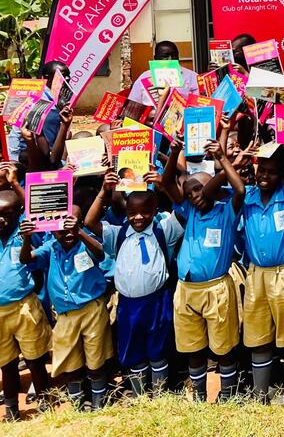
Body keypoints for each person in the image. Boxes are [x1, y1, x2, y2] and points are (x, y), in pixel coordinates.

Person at [161, 131, 245, 401]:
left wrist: (222, 159)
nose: (195, 196)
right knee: (193, 346)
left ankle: (228, 393)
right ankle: (198, 395)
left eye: (200, 189)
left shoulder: (225, 210)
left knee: (223, 346)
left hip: (216, 289)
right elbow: (166, 183)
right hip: (186, 290)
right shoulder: (190, 211)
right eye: (190, 192)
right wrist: (174, 151)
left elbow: (240, 189)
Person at [84, 171, 182, 397]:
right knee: (133, 349)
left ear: (155, 211)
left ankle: (160, 395)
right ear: (126, 213)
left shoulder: (162, 231)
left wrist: (164, 185)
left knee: (158, 348)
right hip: (128, 304)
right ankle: (140, 396)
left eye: (145, 212)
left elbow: (183, 211)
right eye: (133, 213)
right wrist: (103, 192)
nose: (139, 217)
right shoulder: (118, 235)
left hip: (157, 301)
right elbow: (90, 222)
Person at [20, 204, 111, 409]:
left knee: (95, 358)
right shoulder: (51, 248)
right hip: (65, 315)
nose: (66, 232)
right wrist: (27, 237)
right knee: (70, 361)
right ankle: (78, 404)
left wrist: (79, 232)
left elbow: (101, 254)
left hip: (92, 309)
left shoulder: (85, 241)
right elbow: (26, 259)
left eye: (71, 225)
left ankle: (99, 403)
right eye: (60, 228)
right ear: (51, 229)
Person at [241, 145, 284, 402]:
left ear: (281, 175)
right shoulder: (248, 197)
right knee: (258, 335)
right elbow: (236, 186)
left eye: (271, 172)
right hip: (257, 273)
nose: (264, 176)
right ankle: (260, 393)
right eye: (261, 171)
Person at [0, 185, 51, 421]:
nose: (1, 219)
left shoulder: (25, 233)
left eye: (7, 215)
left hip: (24, 306)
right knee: (6, 362)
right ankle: (11, 408)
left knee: (35, 359)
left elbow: (38, 262)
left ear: (18, 213)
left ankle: (45, 400)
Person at [128, 40, 200, 106]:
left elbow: (200, 104)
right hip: (151, 119)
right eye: (165, 56)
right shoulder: (143, 78)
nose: (170, 59)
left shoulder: (192, 77)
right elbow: (132, 104)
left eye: (174, 56)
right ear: (155, 58)